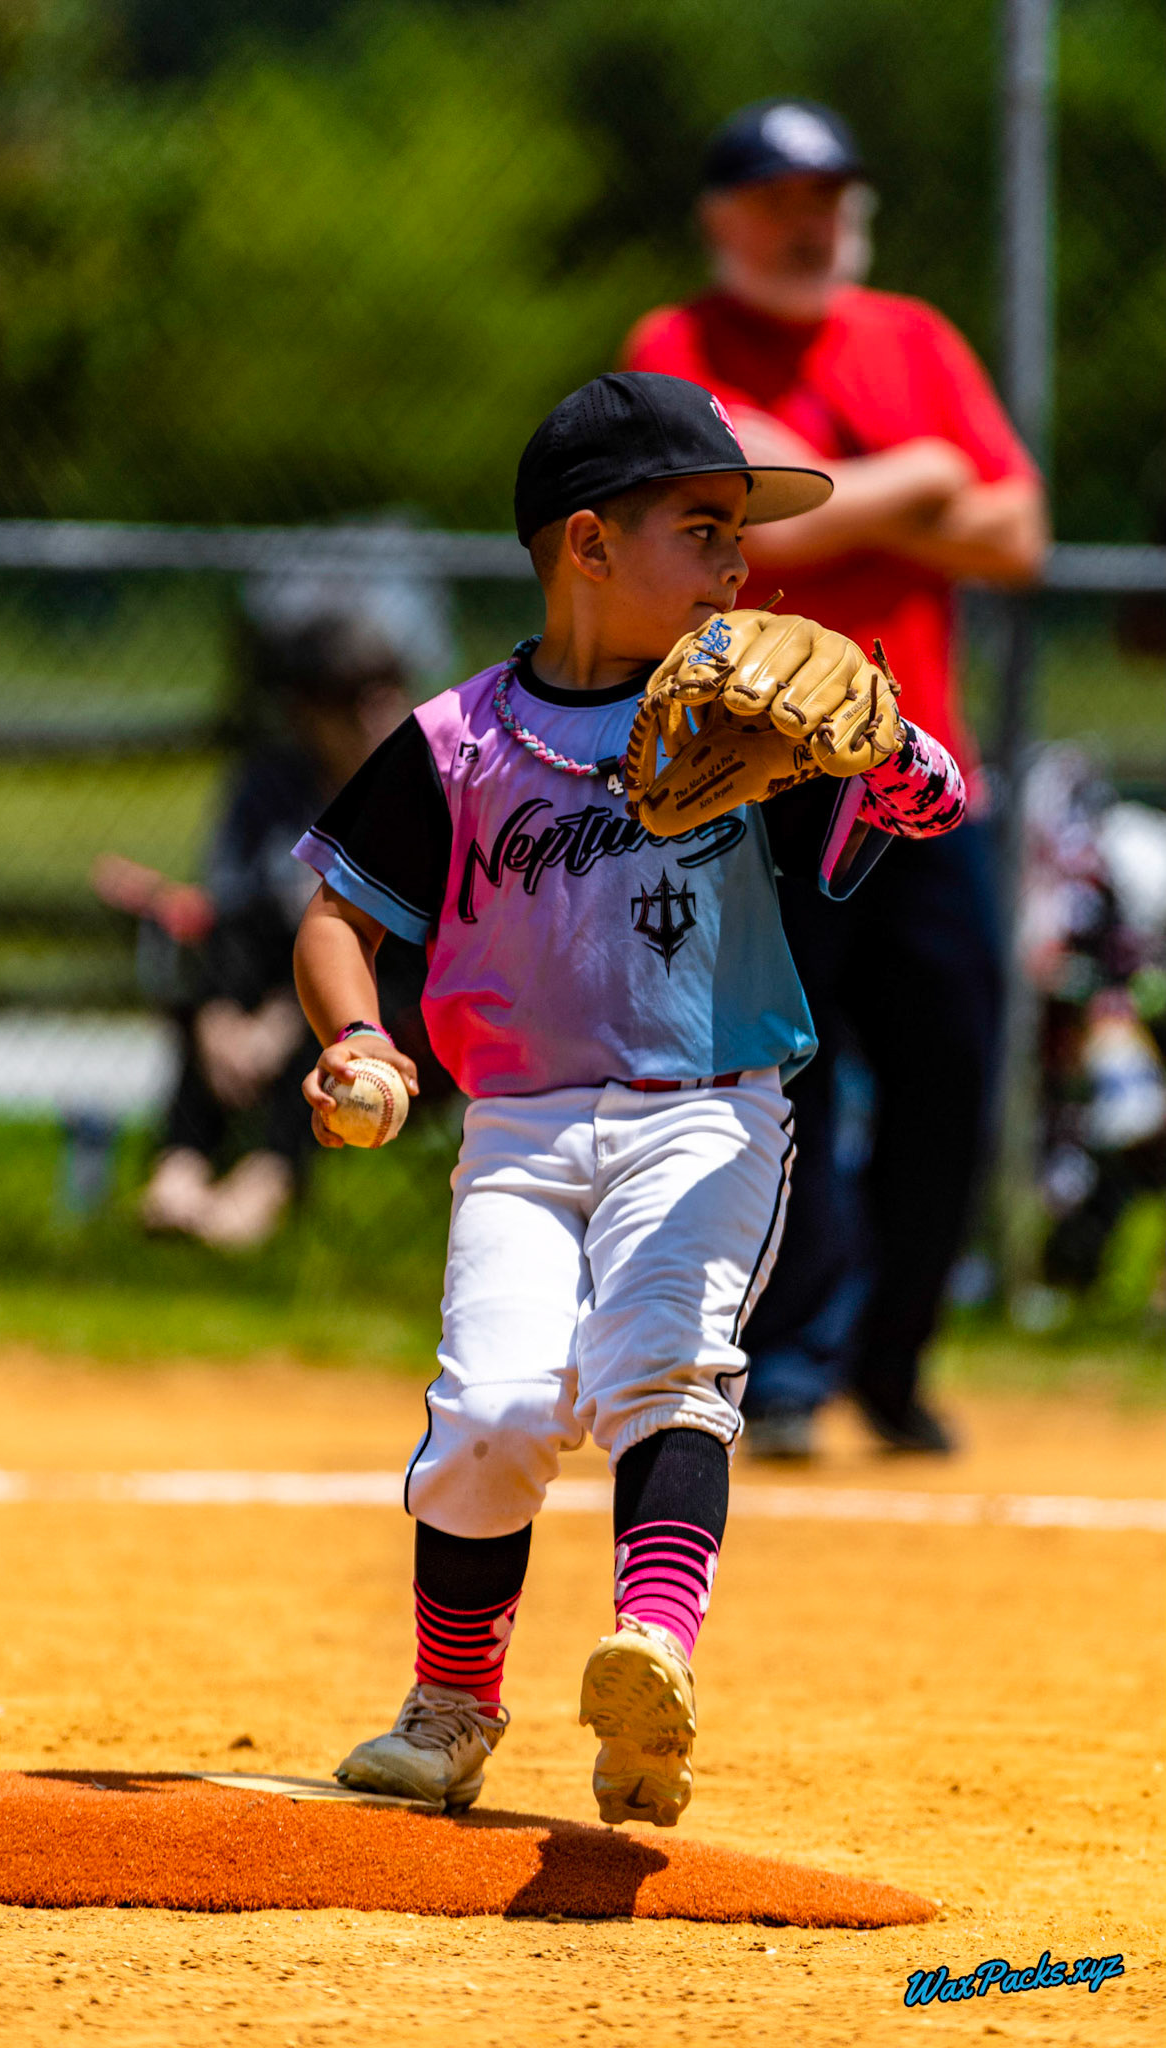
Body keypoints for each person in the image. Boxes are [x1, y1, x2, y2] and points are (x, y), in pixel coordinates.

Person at [287, 371, 967, 1826]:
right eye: (703, 527)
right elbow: (341, 917)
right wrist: (360, 1041)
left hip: (707, 1109)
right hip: (521, 1130)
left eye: (740, 533)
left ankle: (651, 1658)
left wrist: (885, 744)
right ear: (585, 546)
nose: (740, 563)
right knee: (494, 1410)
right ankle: (451, 1709)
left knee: (666, 1357)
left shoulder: (749, 715)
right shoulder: (460, 742)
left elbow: (932, 805)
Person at [623, 99, 1049, 1456]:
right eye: (777, 197)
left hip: (918, 773)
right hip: (756, 778)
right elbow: (721, 488)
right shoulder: (676, 345)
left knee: (952, 1064)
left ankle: (891, 1361)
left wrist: (831, 495)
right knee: (777, 1080)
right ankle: (789, 1369)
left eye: (828, 194)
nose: (809, 222)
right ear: (722, 216)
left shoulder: (911, 337)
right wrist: (920, 479)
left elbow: (1017, 534)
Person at [98, 611, 442, 1247]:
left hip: (392, 1001)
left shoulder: (429, 787)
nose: (380, 712)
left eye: (389, 690)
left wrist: (289, 1014)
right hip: (266, 974)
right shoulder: (273, 786)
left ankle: (266, 1179)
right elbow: (230, 910)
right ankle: (182, 1167)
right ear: (310, 711)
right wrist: (221, 1014)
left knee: (323, 1030)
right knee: (222, 964)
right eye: (354, 698)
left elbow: (415, 946)